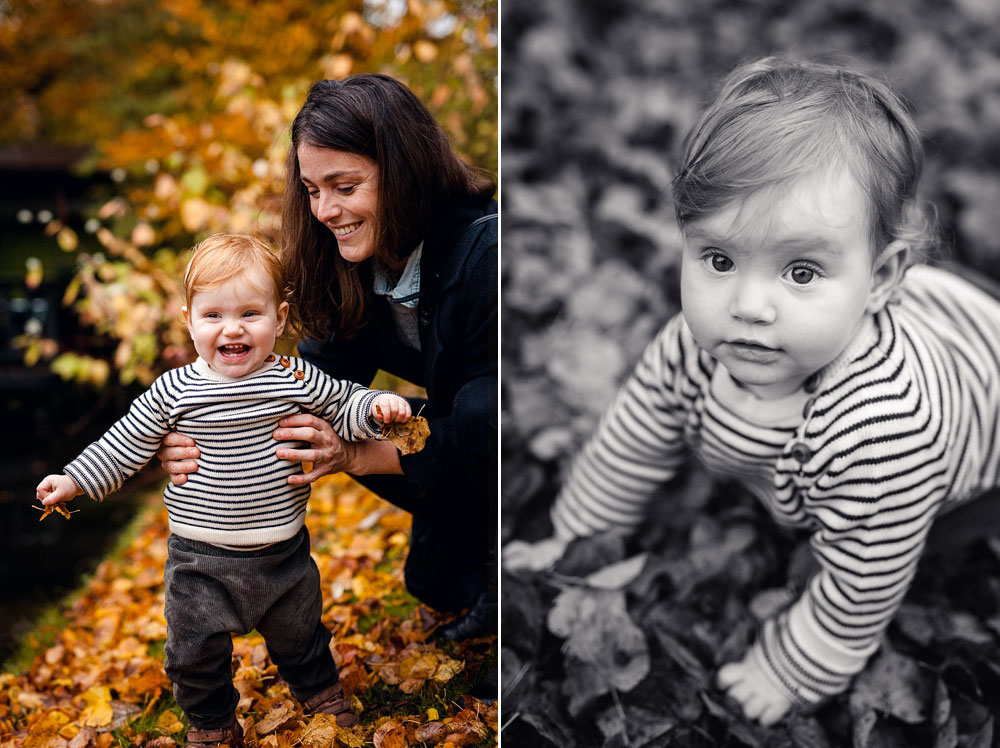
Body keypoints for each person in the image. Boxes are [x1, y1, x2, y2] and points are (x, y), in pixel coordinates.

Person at [504, 57, 1000, 725]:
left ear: (881, 279)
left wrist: (790, 665)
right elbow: (634, 438)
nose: (749, 306)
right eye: (719, 259)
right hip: (925, 322)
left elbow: (861, 586)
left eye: (801, 270)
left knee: (922, 537)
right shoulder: (694, 344)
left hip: (980, 419)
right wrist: (578, 535)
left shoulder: (886, 434)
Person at [35, 233, 412, 747]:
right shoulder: (174, 392)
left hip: (284, 553)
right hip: (199, 558)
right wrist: (75, 479)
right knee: (193, 653)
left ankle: (321, 692)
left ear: (279, 319)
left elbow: (342, 403)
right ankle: (212, 723)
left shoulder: (293, 377)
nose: (231, 329)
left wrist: (376, 409)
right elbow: (124, 443)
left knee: (302, 636)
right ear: (188, 319)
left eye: (249, 315)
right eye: (213, 316)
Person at [157, 74, 498, 642]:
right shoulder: (356, 263)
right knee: (436, 582)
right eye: (313, 190)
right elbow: (308, 387)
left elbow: (493, 419)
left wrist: (360, 458)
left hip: (547, 453)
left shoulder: (489, 256)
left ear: (405, 172)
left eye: (344, 186)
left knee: (472, 414)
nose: (326, 210)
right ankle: (481, 570)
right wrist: (194, 427)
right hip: (466, 438)